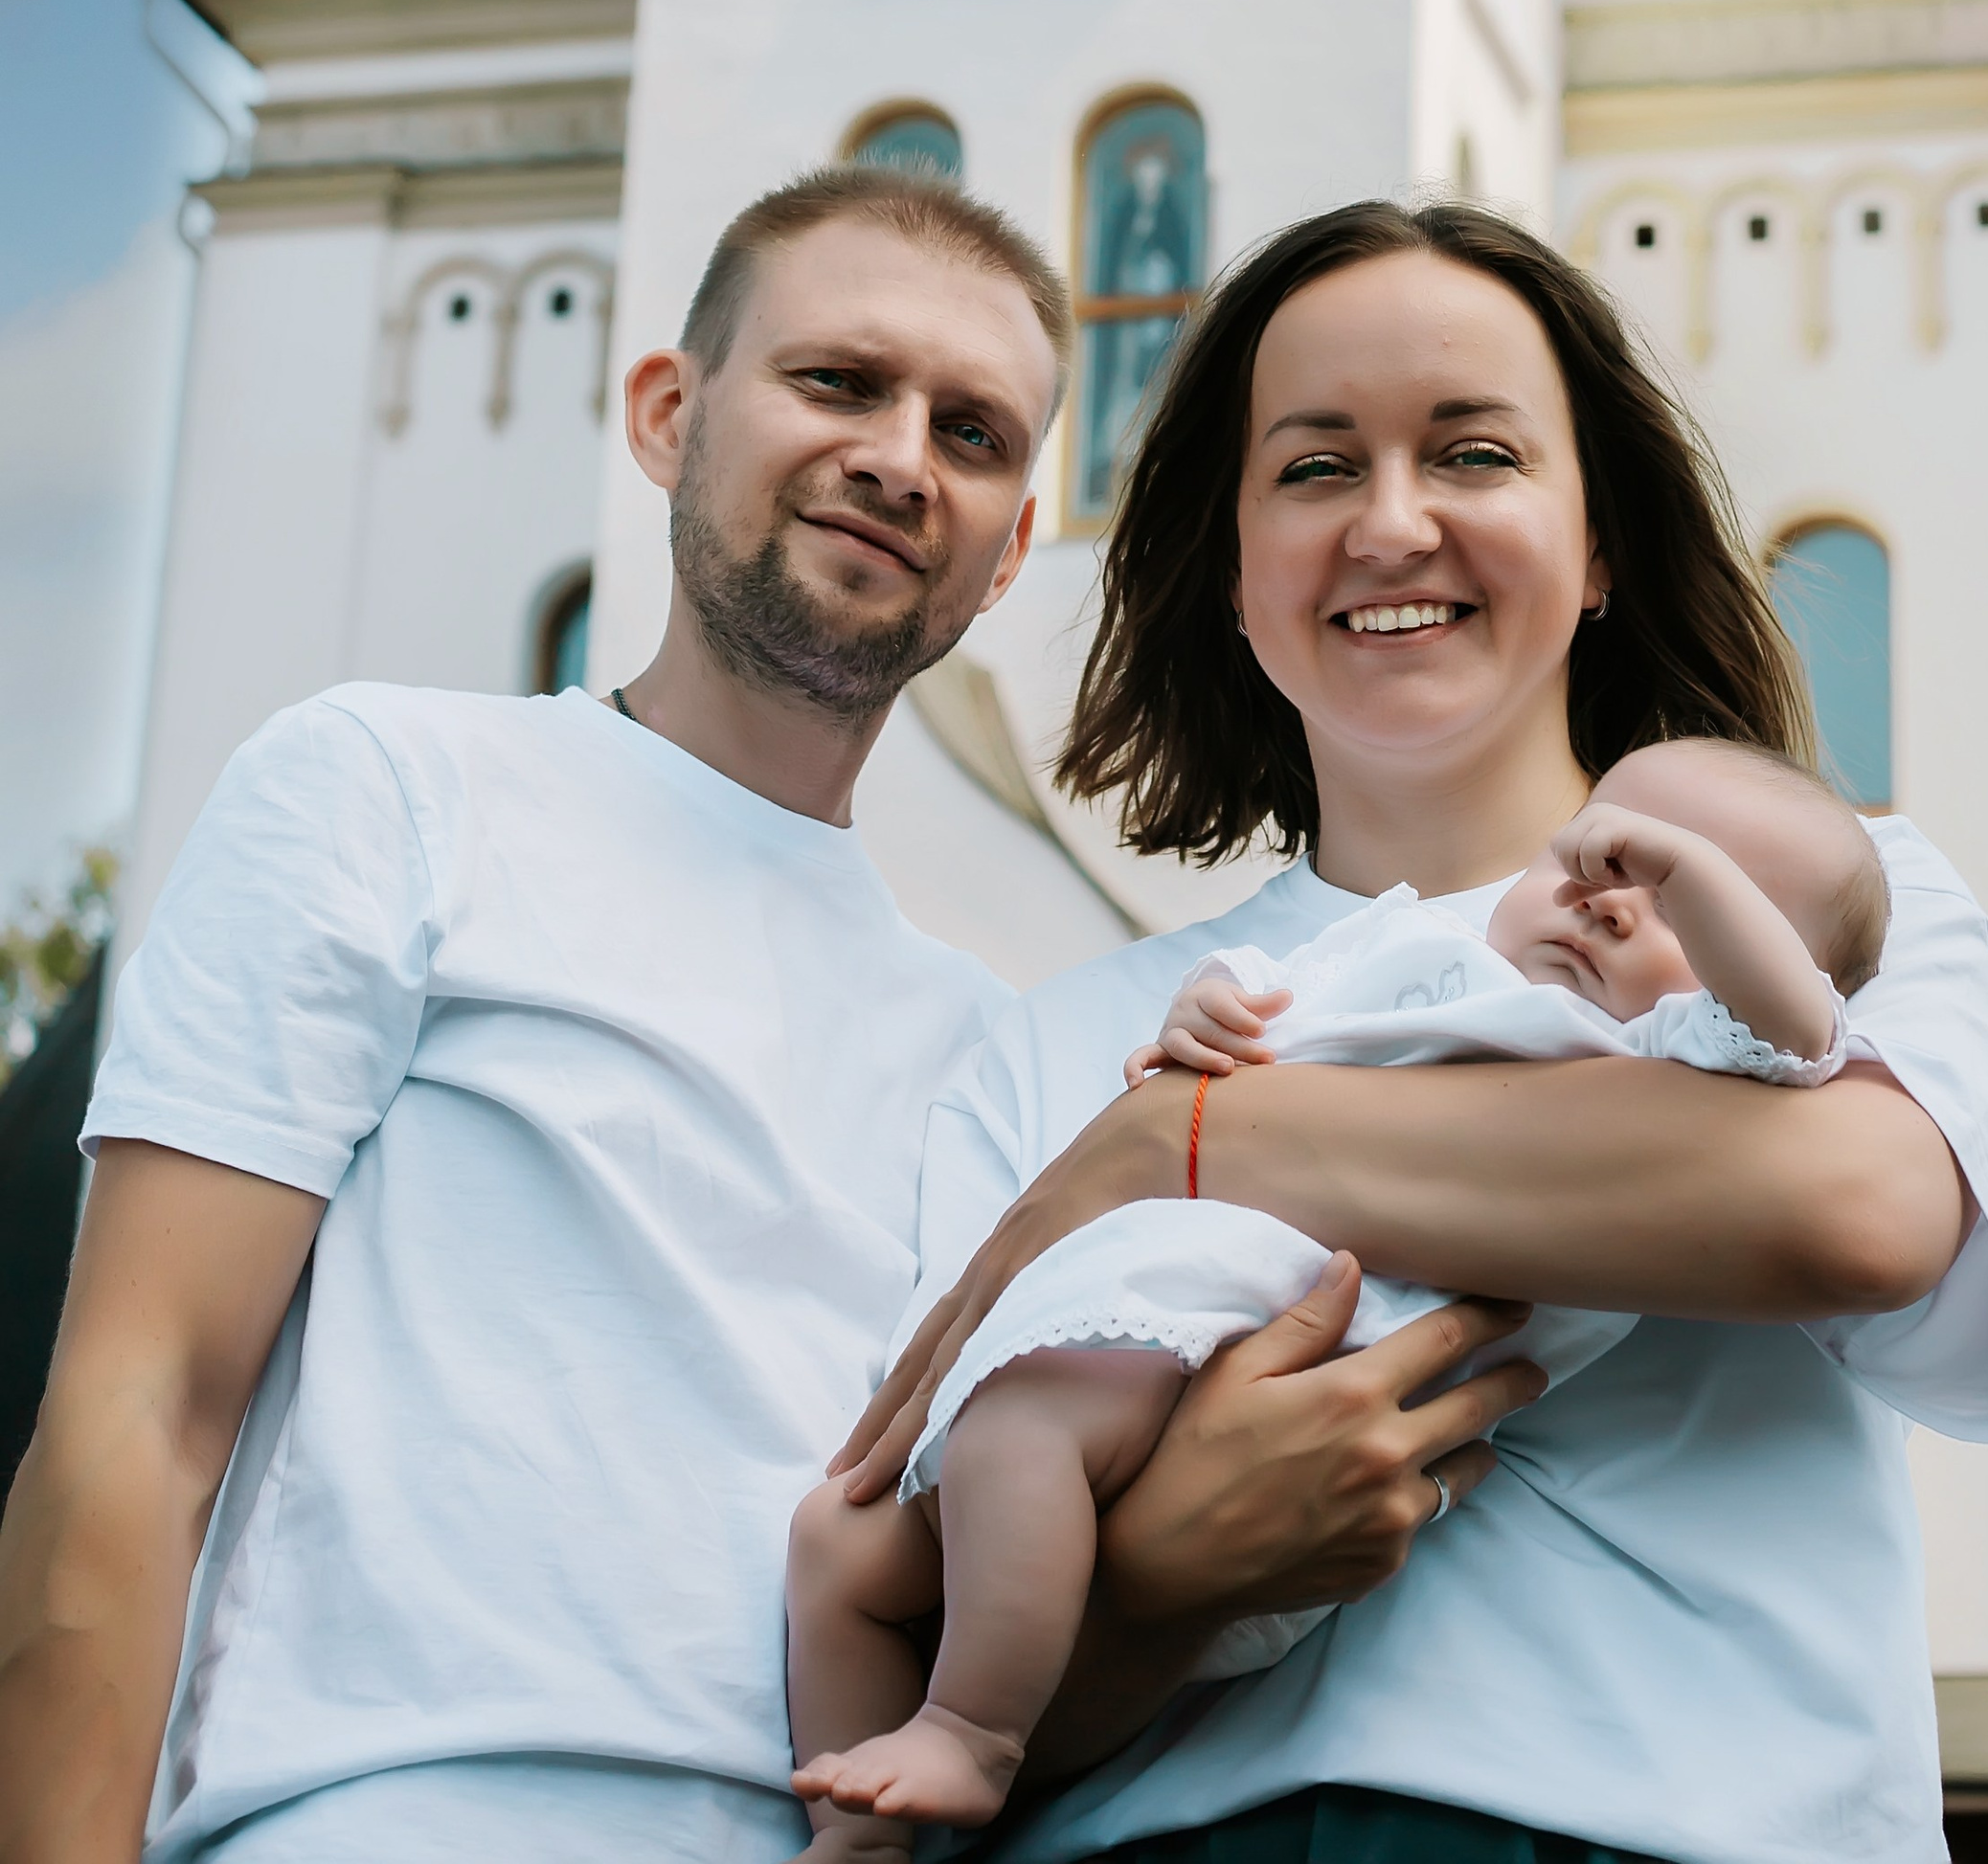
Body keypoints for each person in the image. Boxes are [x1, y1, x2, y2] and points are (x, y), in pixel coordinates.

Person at [0, 168, 1545, 1864]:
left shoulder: (1005, 1052)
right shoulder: (394, 788)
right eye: (838, 383)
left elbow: (993, 1585)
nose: (899, 457)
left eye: (971, 432)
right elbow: (137, 1422)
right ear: (670, 415)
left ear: (1011, 546)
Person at [838, 198, 1988, 1864]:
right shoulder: (1047, 1053)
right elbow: (901, 1638)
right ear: (1233, 573)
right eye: (1316, 468)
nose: (1394, 523)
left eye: (1474, 453)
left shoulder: (1830, 892)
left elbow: (1855, 1207)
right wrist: (1169, 1573)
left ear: (1600, 544)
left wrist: (1199, 1141)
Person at [785, 740, 1886, 1854]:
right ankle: (857, 1839)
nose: (1612, 897)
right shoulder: (1409, 948)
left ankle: (969, 1731)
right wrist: (1205, 1015)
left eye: (1681, 894)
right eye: (1595, 854)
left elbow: (1794, 1034)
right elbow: (1264, 1011)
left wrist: (1685, 874)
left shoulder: (1653, 1058)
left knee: (1017, 1440)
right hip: (1154, 1334)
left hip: (1273, 1365)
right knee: (838, 1540)